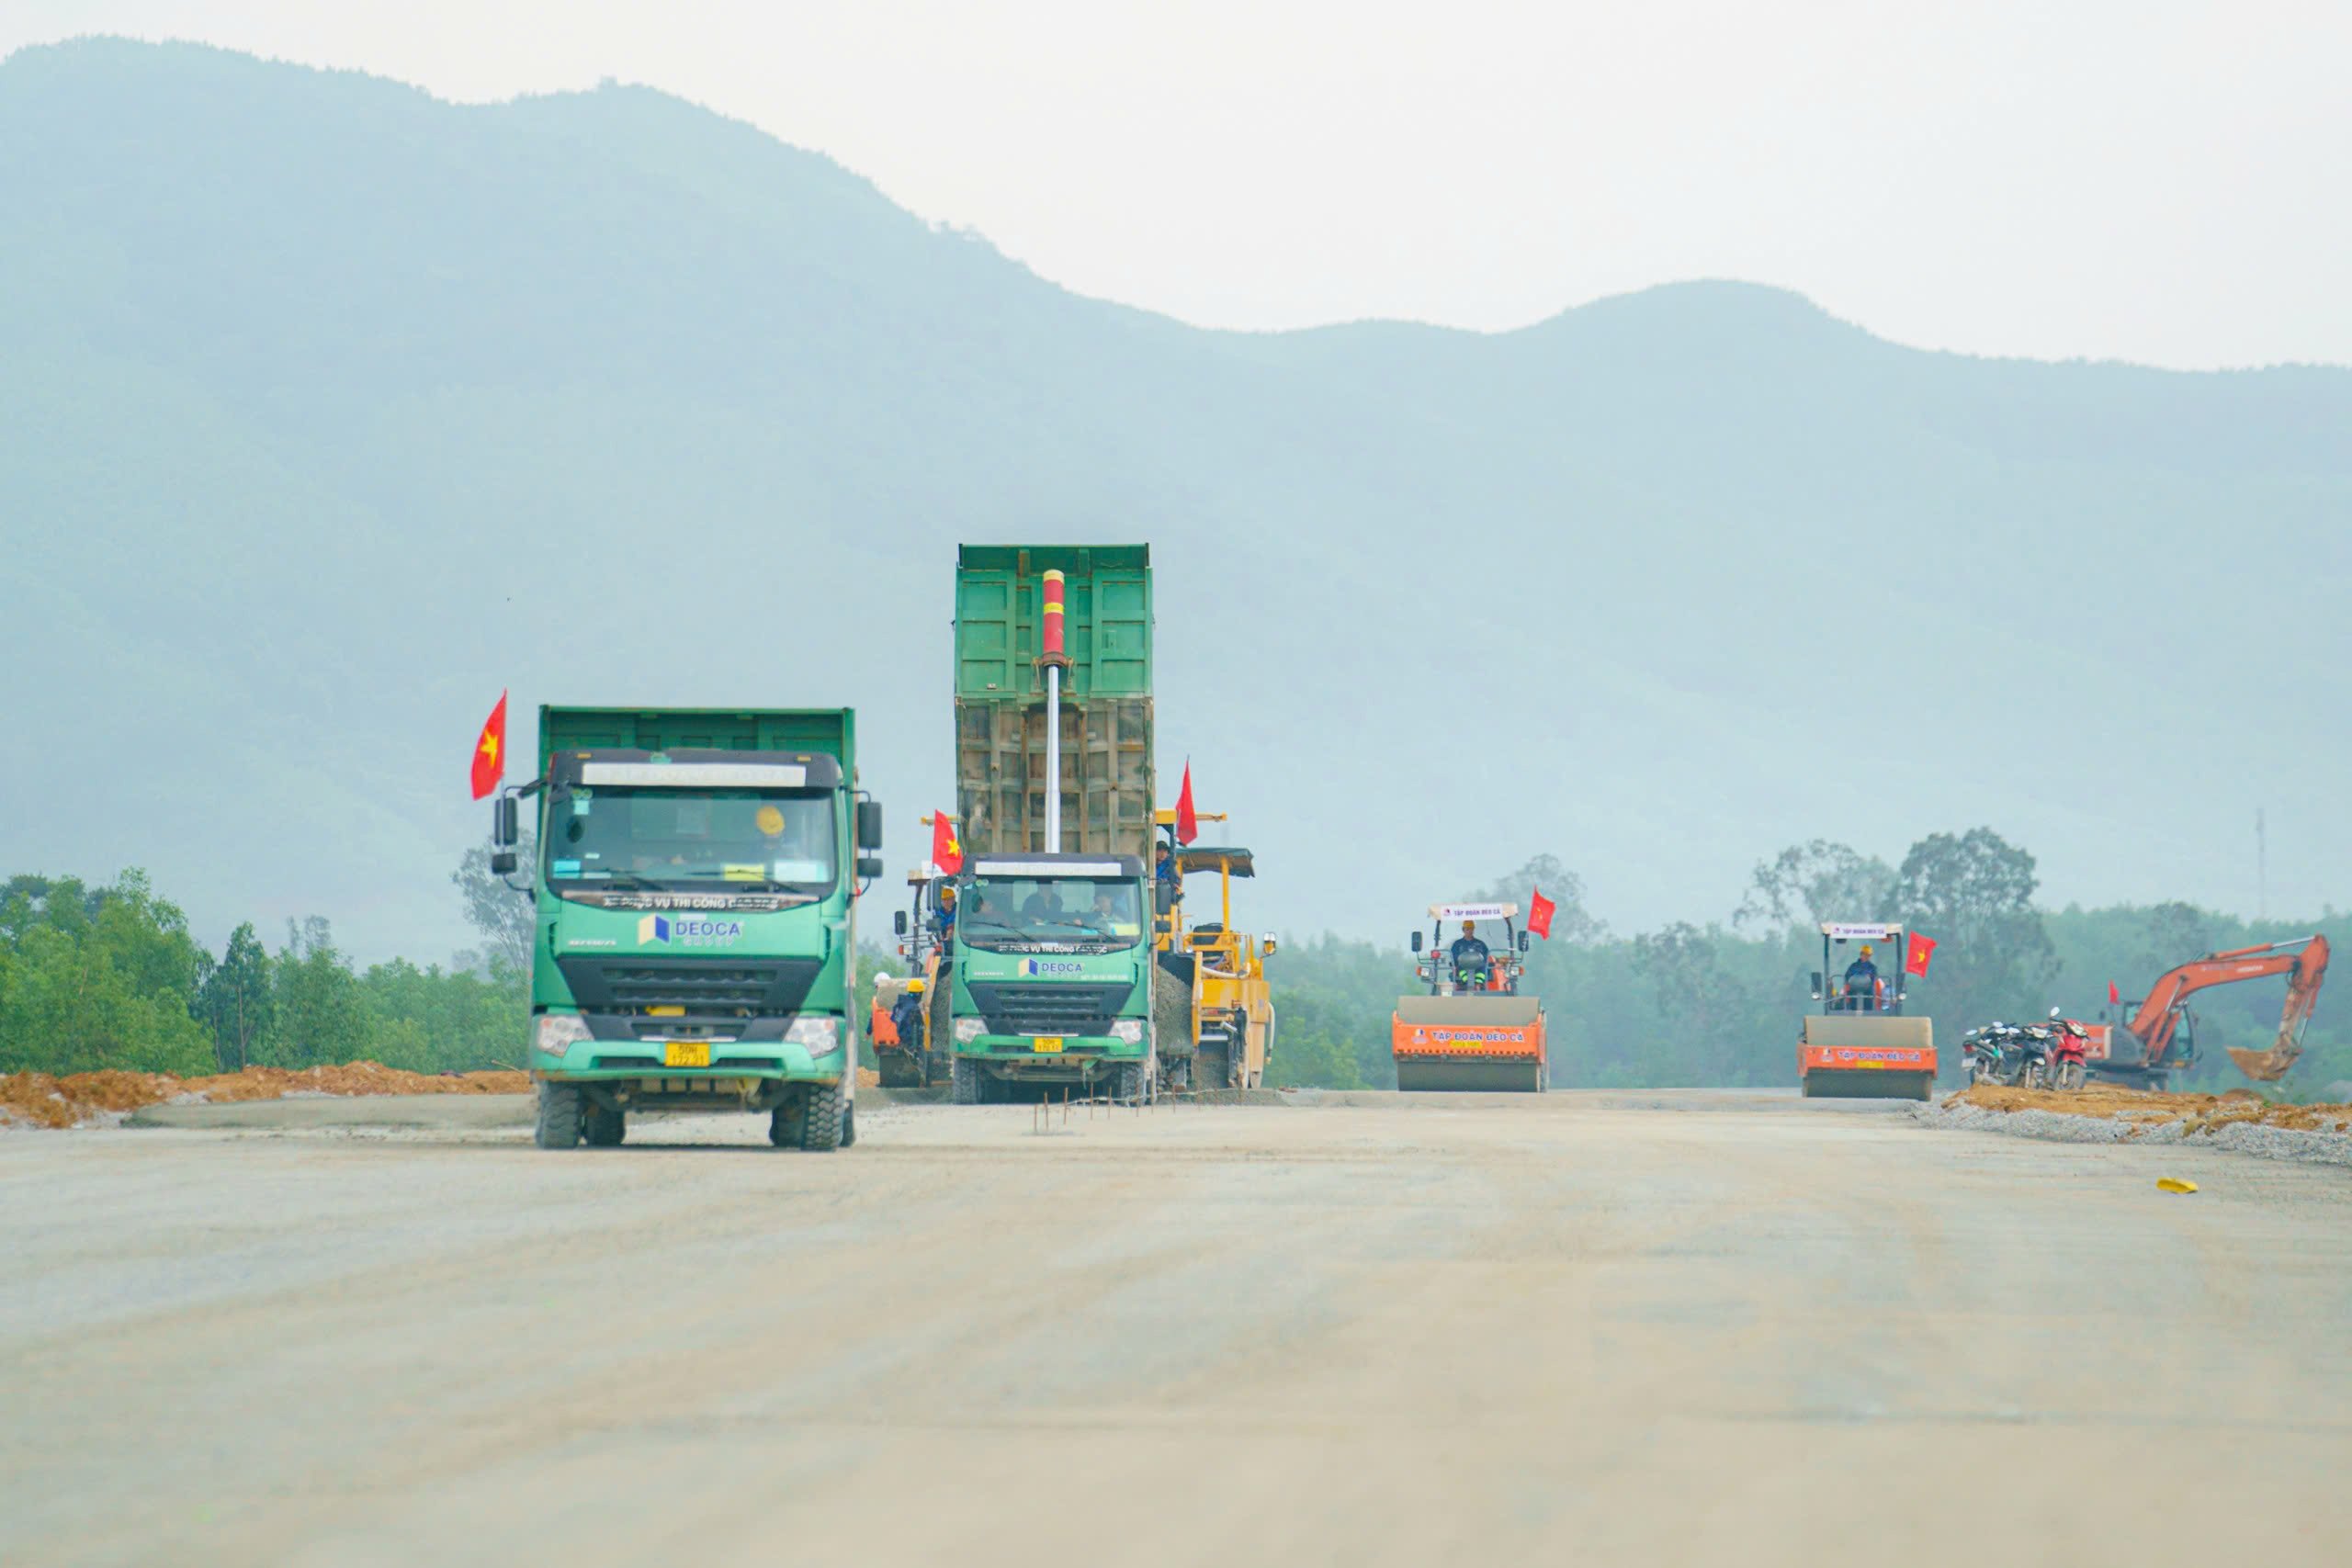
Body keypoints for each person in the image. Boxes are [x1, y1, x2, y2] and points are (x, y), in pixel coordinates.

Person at [1449, 920, 1491, 987]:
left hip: (1478, 966)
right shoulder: (1457, 944)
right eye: (1468, 929)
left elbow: (1486, 955)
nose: (1470, 931)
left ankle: (1478, 985)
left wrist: (1483, 961)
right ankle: (1467, 983)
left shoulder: (1480, 944)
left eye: (1472, 929)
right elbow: (1453, 956)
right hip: (1463, 966)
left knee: (1483, 967)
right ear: (1463, 930)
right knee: (1459, 967)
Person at [1843, 944, 1881, 1011]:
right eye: (1865, 954)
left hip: (1868, 992)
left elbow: (1875, 979)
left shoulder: (1872, 967)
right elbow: (1847, 976)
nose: (1867, 956)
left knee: (1868, 1010)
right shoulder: (1853, 966)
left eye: (1868, 955)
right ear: (1861, 954)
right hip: (1853, 991)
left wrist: (1869, 978)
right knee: (1853, 1008)